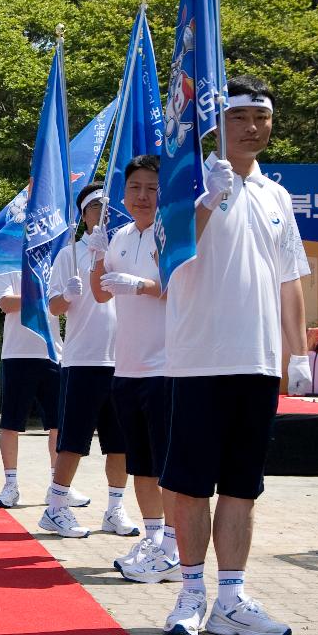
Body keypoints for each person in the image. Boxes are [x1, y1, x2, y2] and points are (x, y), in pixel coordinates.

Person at [158, 76, 310, 635]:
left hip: (258, 360)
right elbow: (167, 256)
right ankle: (191, 590)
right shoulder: (187, 182)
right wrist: (205, 201)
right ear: (216, 124)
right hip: (198, 359)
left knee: (243, 486)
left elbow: (290, 280)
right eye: (240, 117)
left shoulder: (276, 195)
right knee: (194, 485)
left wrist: (297, 357)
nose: (252, 128)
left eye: (261, 118)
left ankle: (231, 597)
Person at [87, 157, 179, 581]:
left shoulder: (172, 231)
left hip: (167, 366)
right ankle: (154, 537)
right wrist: (97, 257)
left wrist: (140, 285)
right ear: (124, 194)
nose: (143, 196)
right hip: (127, 367)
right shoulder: (120, 235)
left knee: (169, 464)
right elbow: (102, 295)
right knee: (140, 463)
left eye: (152, 188)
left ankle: (177, 544)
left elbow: (180, 288)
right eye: (136, 188)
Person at [40, 183, 138, 540]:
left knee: (120, 442)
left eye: (108, 207)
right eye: (96, 206)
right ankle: (56, 507)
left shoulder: (122, 248)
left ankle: (114, 509)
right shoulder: (69, 254)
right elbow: (52, 307)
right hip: (82, 359)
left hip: (123, 358)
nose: (104, 212)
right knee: (73, 440)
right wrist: (67, 295)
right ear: (83, 214)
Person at [0, 270, 89, 510]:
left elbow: (63, 306)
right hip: (17, 353)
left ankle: (58, 487)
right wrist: (42, 297)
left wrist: (65, 295)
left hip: (52, 352)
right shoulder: (6, 265)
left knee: (58, 424)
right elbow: (5, 302)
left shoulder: (54, 264)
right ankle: (10, 485)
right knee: (11, 424)